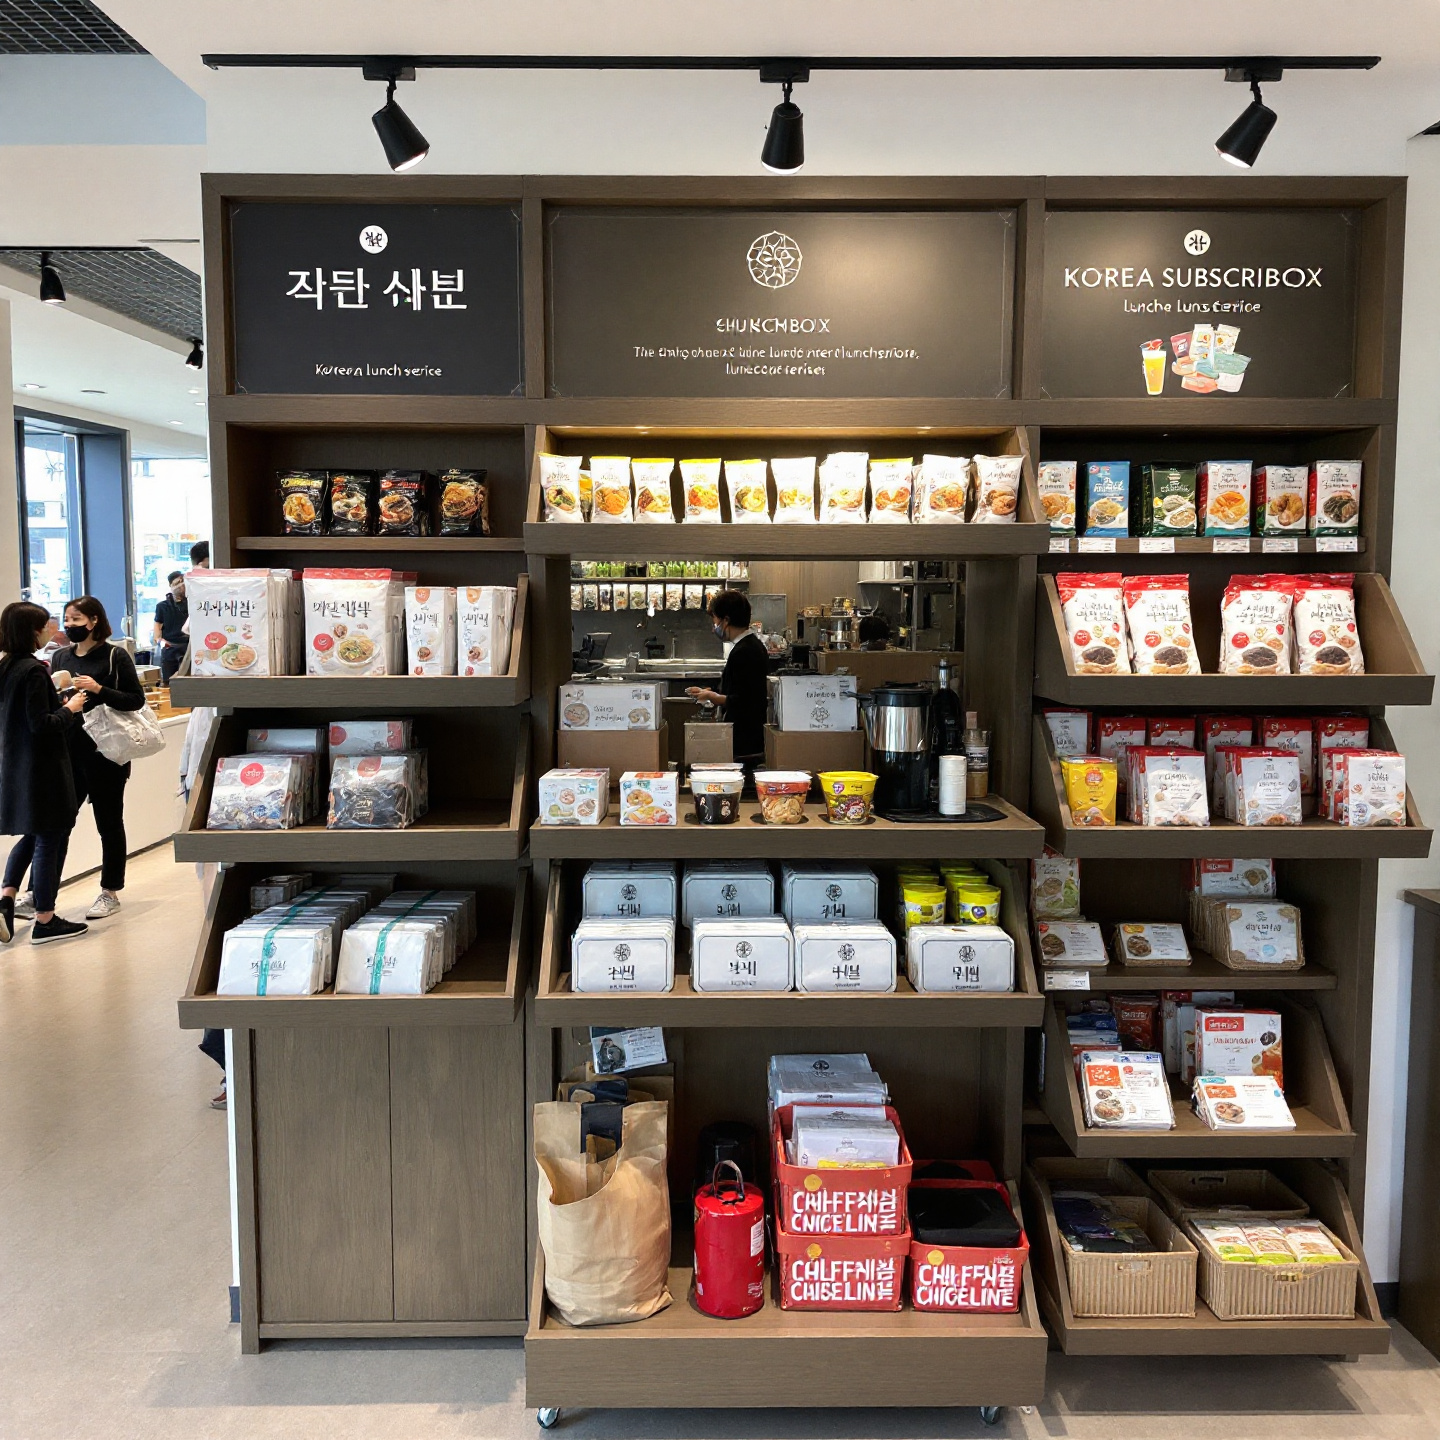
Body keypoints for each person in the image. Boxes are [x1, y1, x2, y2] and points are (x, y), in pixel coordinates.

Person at [47, 597, 146, 921]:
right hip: (69, 752)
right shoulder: (60, 656)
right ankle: (42, 893)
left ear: (93, 621)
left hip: (107, 752)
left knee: (109, 823)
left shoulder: (115, 655)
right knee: (58, 824)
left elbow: (135, 700)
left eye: (76, 619)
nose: (69, 625)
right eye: (66, 619)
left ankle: (110, 891)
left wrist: (99, 689)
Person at [0, 601, 89, 945]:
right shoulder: (33, 671)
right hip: (44, 768)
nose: (50, 632)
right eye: (45, 627)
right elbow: (42, 724)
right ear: (31, 632)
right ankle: (45, 919)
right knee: (50, 838)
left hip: (16, 764)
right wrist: (70, 708)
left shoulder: (6, 667)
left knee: (32, 833)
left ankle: (6, 900)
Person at [686, 589, 770, 767]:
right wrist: (710, 692)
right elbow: (740, 688)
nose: (714, 627)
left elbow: (743, 701)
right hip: (748, 734)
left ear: (726, 620)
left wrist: (712, 697)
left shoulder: (745, 651)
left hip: (746, 739)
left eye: (715, 620)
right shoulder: (750, 646)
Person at [153, 570, 189, 683]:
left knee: (187, 681)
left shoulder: (192, 604)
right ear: (170, 586)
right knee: (168, 682)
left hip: (188, 646)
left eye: (183, 582)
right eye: (177, 583)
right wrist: (160, 641)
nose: (181, 585)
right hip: (170, 647)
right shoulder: (162, 606)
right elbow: (157, 629)